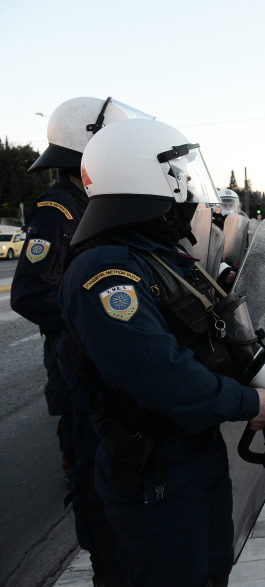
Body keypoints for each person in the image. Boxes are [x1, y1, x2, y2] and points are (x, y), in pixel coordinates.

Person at [57, 118, 265, 586]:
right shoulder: (107, 269)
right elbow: (159, 374)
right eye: (177, 175)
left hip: (193, 454)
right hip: (155, 472)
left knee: (212, 570)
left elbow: (206, 333)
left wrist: (261, 377)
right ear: (147, 180)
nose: (188, 191)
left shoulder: (157, 255)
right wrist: (246, 402)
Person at [10, 96, 134, 586]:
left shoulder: (92, 205)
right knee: (96, 491)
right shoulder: (59, 208)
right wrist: (95, 319)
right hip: (77, 373)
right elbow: (28, 293)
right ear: (89, 141)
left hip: (97, 372)